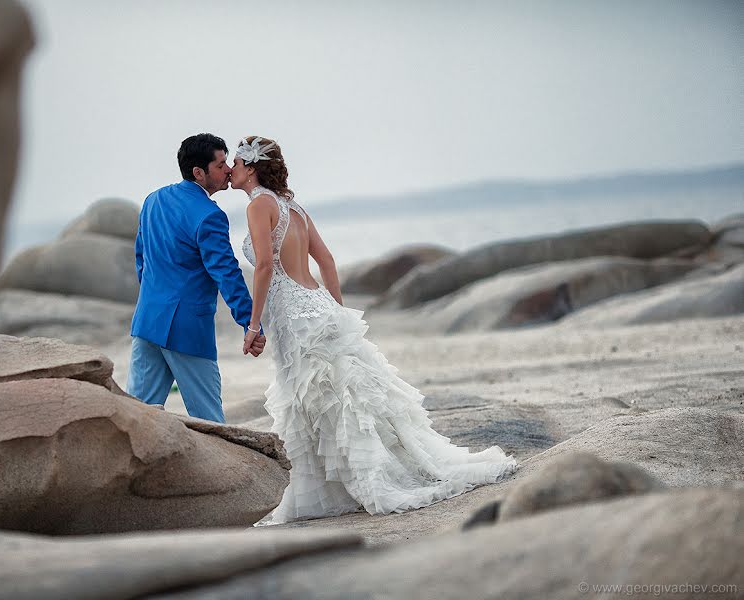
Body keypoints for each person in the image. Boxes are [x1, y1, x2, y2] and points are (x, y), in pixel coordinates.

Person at [231, 136, 519, 523]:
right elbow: (328, 261)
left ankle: (353, 485)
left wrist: (253, 323)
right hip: (318, 306)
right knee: (348, 398)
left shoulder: (259, 205)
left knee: (317, 401)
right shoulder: (292, 207)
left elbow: (265, 266)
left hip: (295, 318)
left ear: (251, 167)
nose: (231, 169)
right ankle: (362, 477)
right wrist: (336, 309)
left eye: (235, 162)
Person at [128, 133, 266, 423]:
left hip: (147, 322)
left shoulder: (153, 200)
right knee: (211, 422)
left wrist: (157, 300)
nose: (228, 169)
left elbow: (141, 259)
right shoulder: (209, 215)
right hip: (186, 331)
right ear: (198, 173)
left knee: (136, 419)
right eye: (220, 164)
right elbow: (226, 273)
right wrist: (249, 322)